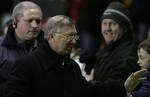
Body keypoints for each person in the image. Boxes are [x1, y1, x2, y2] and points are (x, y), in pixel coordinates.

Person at [5, 15, 127, 97]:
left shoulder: (71, 66)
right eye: (69, 36)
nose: (74, 41)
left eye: (75, 36)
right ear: (51, 36)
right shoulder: (26, 65)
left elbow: (89, 90)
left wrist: (122, 86)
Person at [90, 1, 139, 97]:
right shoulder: (113, 44)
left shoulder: (128, 56)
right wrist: (92, 60)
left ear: (124, 27)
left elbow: (114, 88)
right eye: (104, 23)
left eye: (112, 24)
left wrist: (88, 84)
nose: (107, 28)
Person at [0, 1, 44, 96]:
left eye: (38, 21)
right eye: (29, 21)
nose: (35, 25)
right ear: (14, 22)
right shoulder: (1, 47)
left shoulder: (48, 48)